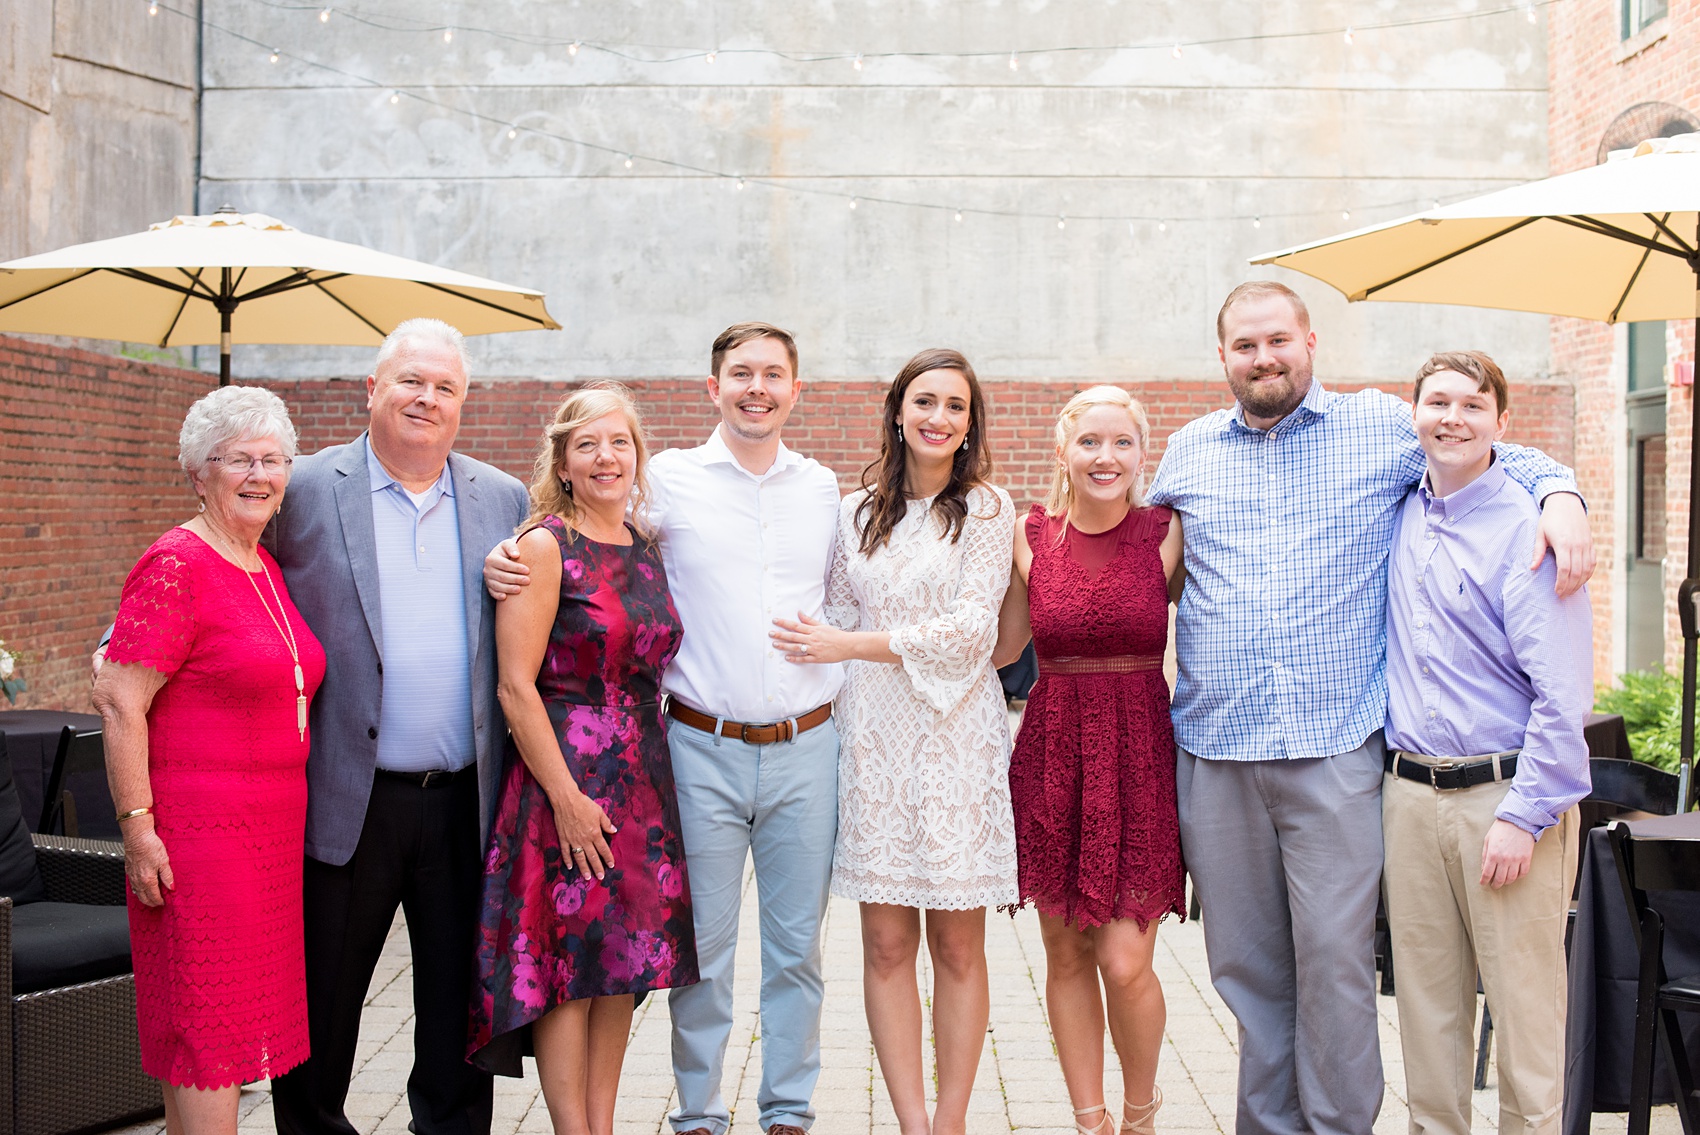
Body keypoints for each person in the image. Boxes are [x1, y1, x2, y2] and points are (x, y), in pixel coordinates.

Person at [1146, 280, 1595, 1135]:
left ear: (1311, 341)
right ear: (1222, 357)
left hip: (1337, 750)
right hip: (1216, 750)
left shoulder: (1383, 428)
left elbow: (1492, 451)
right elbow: (1151, 569)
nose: (1263, 357)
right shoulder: (1188, 451)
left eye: (1278, 340)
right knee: (1245, 968)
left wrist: (1562, 492)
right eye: (1245, 346)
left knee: (1336, 966)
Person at [486, 322, 841, 1135]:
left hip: (804, 744)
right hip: (695, 748)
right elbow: (566, 531)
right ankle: (700, 1115)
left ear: (797, 389)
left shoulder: (823, 490)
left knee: (797, 953)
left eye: (773, 374)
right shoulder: (668, 481)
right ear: (712, 387)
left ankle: (787, 1110)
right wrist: (501, 559)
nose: (757, 387)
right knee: (698, 954)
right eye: (740, 373)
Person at [264, 318, 530, 1135]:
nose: (427, 398)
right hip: (346, 798)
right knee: (324, 1003)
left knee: (456, 1013)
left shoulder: (502, 497)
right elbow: (228, 570)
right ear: (371, 389)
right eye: (411, 380)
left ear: (463, 402)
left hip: (461, 799)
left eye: (445, 386)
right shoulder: (302, 487)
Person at [771, 348, 1016, 1135]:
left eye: (955, 404)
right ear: (898, 411)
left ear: (970, 420)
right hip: (873, 737)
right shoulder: (854, 510)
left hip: (956, 737)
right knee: (882, 942)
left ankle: (951, 1121)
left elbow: (974, 630)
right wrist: (843, 647)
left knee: (956, 943)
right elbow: (833, 617)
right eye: (924, 401)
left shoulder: (986, 509)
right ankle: (911, 1123)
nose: (938, 417)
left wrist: (853, 646)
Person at [467, 383, 698, 1134]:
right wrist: (565, 797)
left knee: (617, 968)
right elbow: (514, 686)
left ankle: (601, 1123)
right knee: (566, 968)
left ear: (638, 456)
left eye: (620, 443)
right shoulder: (542, 547)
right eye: (588, 445)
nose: (607, 458)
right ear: (563, 462)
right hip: (561, 780)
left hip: (640, 782)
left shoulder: (648, 545)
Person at [93, 386, 325, 1135]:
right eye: (238, 460)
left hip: (268, 841)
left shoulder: (263, 566)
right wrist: (137, 828)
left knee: (225, 1042)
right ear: (199, 471)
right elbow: (120, 699)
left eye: (273, 459)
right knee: (207, 1038)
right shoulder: (176, 563)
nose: (259, 474)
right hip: (199, 841)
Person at [1381, 351, 1591, 1135]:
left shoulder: (1531, 529)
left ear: (1502, 422)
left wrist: (1524, 813)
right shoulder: (1400, 506)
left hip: (1506, 801)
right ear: (1415, 414)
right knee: (1428, 1021)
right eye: (1437, 401)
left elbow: (1564, 695)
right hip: (1406, 796)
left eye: (1474, 405)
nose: (1453, 418)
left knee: (1527, 1026)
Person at [992, 385, 1185, 1135]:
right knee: (1066, 950)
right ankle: (1090, 1119)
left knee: (1126, 958)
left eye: (1122, 443)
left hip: (1139, 754)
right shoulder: (1027, 532)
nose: (1106, 457)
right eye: (1090, 442)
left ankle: (1140, 1113)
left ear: (1143, 454)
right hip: (1053, 753)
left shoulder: (1168, 533)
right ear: (1064, 452)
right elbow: (1004, 648)